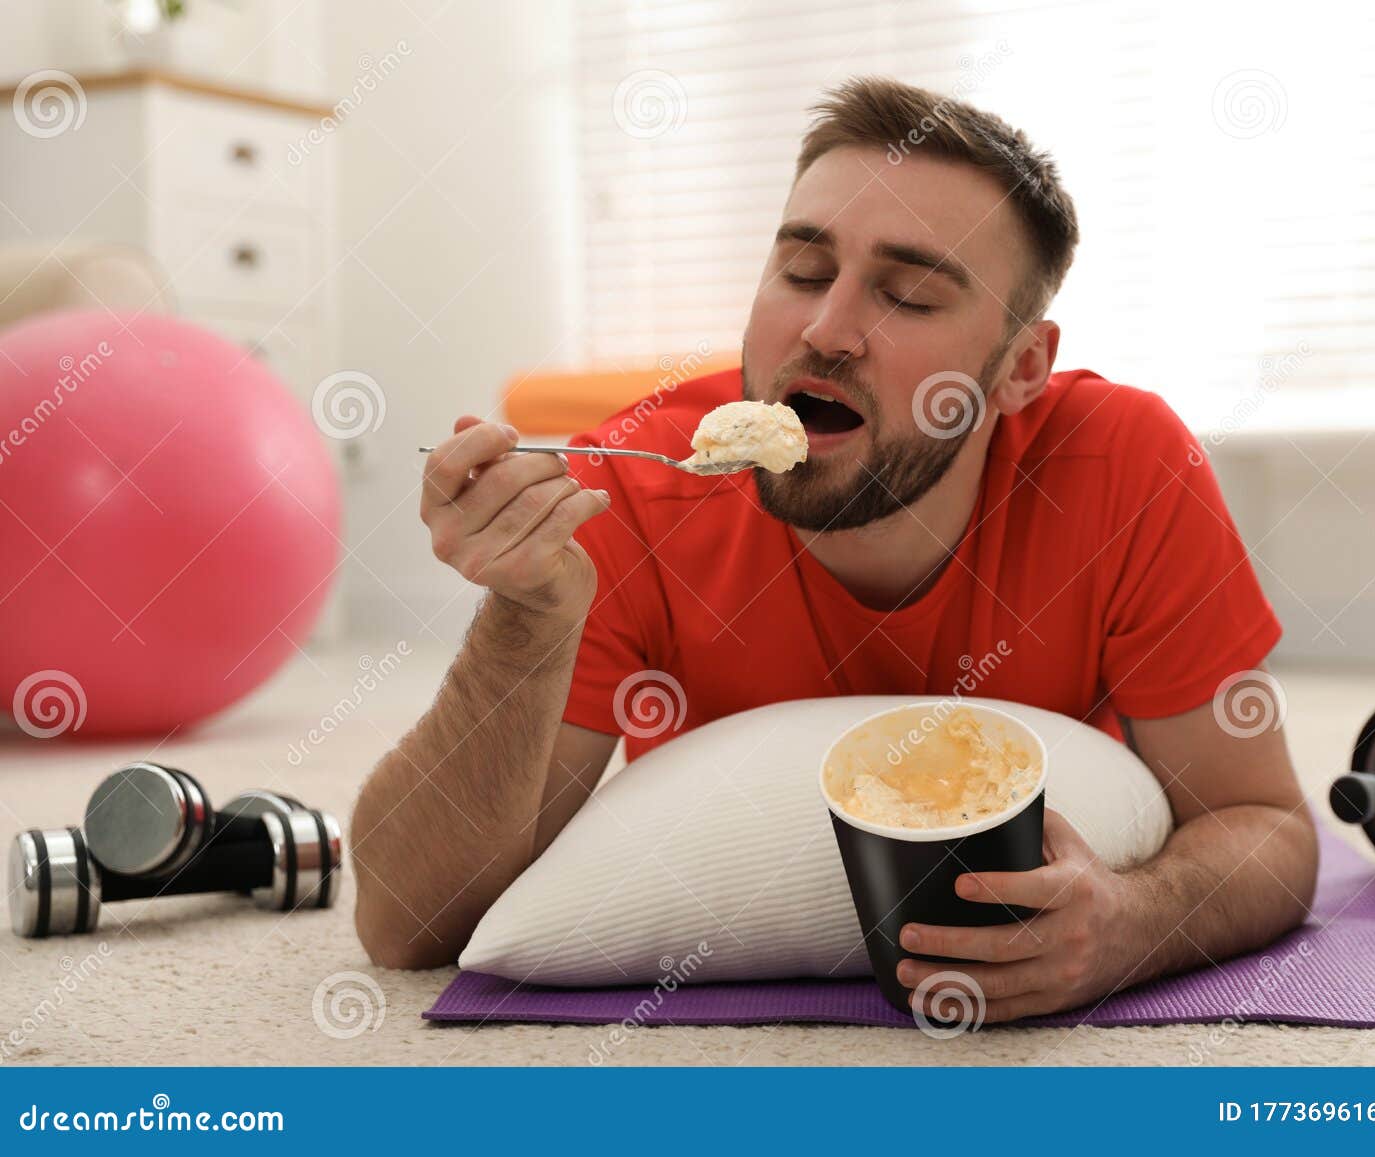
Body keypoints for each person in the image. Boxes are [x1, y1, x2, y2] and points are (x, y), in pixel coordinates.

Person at [351, 76, 1318, 1023]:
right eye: (803, 273)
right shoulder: (632, 493)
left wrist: (1129, 927)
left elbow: (1267, 829)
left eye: (907, 295)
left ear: (1022, 367)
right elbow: (406, 925)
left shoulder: (1124, 464)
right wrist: (526, 619)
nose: (823, 330)